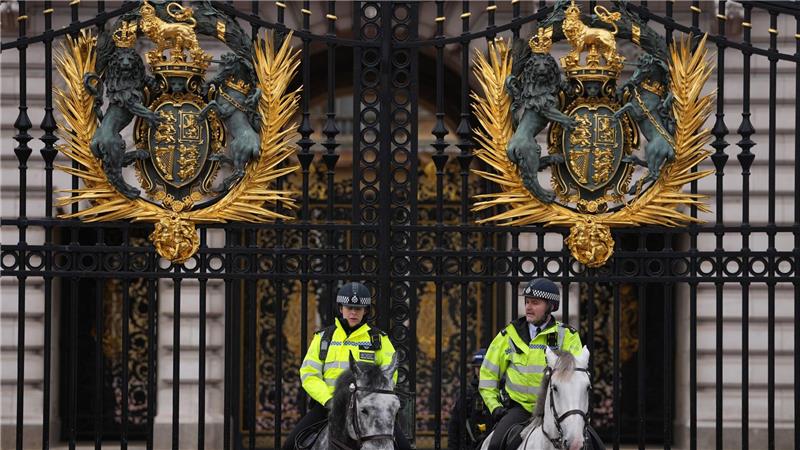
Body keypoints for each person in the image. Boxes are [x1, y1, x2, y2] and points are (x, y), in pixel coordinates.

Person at [282, 282, 411, 450]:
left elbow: (389, 374)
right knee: (290, 445)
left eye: (358, 308)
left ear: (365, 311)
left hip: (368, 408)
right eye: (349, 307)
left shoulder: (378, 339)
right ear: (341, 309)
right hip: (328, 406)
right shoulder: (323, 338)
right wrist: (329, 400)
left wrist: (372, 398)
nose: (353, 312)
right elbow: (309, 374)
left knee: (404, 447)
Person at [478, 278, 583, 450]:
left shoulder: (567, 336)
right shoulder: (508, 336)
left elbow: (578, 377)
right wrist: (495, 407)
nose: (528, 307)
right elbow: (488, 375)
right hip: (520, 409)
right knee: (495, 445)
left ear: (550, 306)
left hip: (558, 409)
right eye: (527, 302)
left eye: (535, 303)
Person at [447, 348, 493, 450]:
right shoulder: (467, 393)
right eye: (478, 368)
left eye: (483, 367)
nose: (480, 371)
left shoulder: (501, 391)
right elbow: (454, 426)